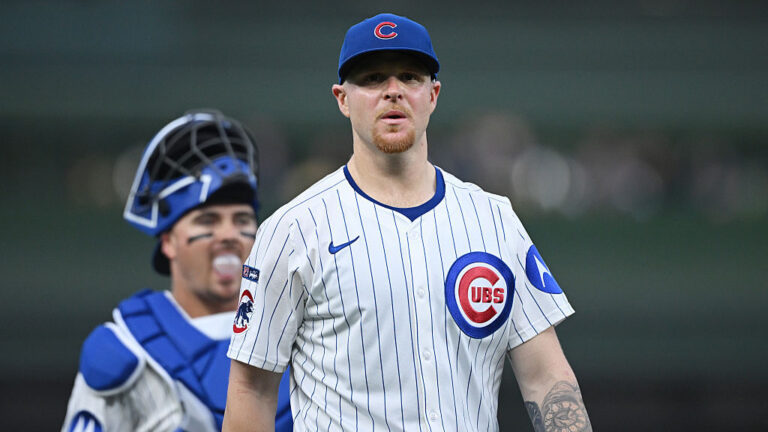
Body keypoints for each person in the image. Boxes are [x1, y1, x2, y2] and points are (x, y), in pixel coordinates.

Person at [224, 13, 591, 432]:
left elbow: (547, 379)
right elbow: (251, 390)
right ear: (343, 98)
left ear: (432, 94)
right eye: (373, 78)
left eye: (410, 77)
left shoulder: (494, 219)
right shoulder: (293, 229)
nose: (393, 91)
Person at [61, 110, 293, 432]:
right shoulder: (127, 347)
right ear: (168, 242)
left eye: (241, 220)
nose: (227, 234)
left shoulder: (295, 335)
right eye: (207, 221)